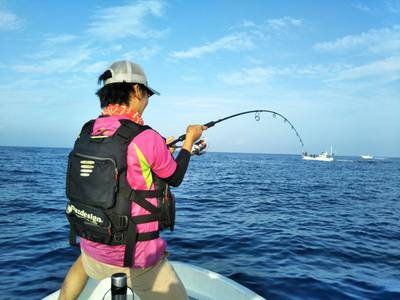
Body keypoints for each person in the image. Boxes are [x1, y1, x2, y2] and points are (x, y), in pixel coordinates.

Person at [59, 60, 206, 300]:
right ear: (137, 91)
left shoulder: (86, 130)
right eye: (147, 94)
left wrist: (161, 150)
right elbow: (175, 177)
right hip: (134, 260)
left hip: (91, 250)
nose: (147, 100)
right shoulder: (146, 137)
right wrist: (190, 140)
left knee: (81, 266)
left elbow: (130, 171)